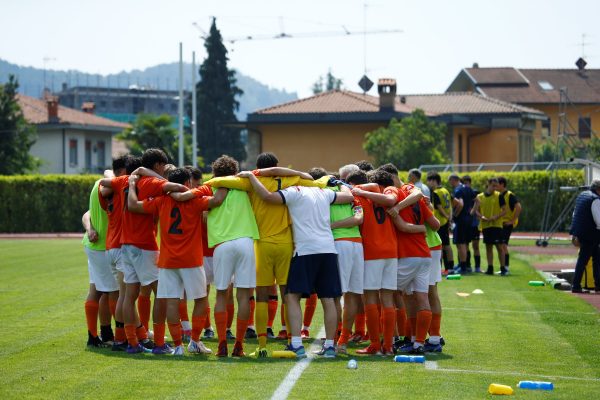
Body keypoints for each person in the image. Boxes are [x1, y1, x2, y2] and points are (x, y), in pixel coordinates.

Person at [238, 168, 355, 359]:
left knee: (291, 297)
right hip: (328, 249)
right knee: (328, 300)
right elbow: (349, 197)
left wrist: (252, 177)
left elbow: (267, 196)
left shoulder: (294, 191)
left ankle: (296, 344)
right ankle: (330, 347)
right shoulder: (324, 192)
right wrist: (339, 183)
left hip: (305, 250)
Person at [127, 167, 226, 355]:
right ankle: (195, 341)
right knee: (201, 300)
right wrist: (220, 181)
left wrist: (132, 186)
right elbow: (218, 199)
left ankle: (178, 346)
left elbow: (133, 205)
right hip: (191, 259)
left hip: (167, 260)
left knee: (171, 301)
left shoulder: (160, 201)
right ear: (188, 183)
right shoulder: (196, 201)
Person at [82, 173, 118, 348]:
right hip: (103, 246)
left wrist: (89, 229)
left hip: (93, 245)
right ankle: (113, 336)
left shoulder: (97, 183)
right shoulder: (109, 187)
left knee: (97, 289)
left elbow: (86, 214)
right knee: (113, 291)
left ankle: (96, 336)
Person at [471, 178, 506, 276]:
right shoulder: (480, 196)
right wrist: (481, 216)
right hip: (486, 226)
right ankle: (490, 268)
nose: (495, 188)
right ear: (488, 184)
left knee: (500, 247)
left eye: (496, 186)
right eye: (493, 185)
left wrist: (495, 217)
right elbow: (475, 210)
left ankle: (503, 268)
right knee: (488, 247)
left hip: (497, 225)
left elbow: (504, 210)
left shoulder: (499, 196)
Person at [570, 180, 600, 293]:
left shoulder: (582, 195)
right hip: (590, 234)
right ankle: (576, 285)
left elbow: (575, 214)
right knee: (584, 260)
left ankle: (598, 284)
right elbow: (599, 221)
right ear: (598, 189)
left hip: (579, 231)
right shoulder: (595, 199)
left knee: (597, 257)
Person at [427, 172, 454, 274]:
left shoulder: (436, 192)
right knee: (447, 245)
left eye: (429, 181)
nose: (428, 183)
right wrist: (450, 218)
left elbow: (438, 207)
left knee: (441, 245)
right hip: (446, 221)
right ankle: (450, 267)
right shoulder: (445, 190)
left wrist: (446, 217)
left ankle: (441, 268)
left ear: (434, 181)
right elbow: (450, 206)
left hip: (440, 222)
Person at [448, 173, 475, 274]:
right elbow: (477, 201)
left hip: (461, 220)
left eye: (450, 181)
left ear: (453, 180)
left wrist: (454, 216)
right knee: (465, 243)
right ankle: (465, 265)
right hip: (468, 219)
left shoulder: (458, 190)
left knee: (460, 243)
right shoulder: (467, 188)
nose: (450, 184)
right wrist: (472, 212)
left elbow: (460, 204)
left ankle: (463, 266)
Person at [497, 176, 522, 273]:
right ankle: (503, 267)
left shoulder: (510, 195)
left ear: (502, 184)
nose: (495, 187)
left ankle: (506, 268)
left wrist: (512, 221)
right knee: (501, 246)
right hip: (500, 224)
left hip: (507, 224)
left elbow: (518, 207)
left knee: (503, 245)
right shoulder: (498, 195)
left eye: (497, 184)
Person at [461, 175, 482, 272]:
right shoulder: (461, 193)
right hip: (466, 224)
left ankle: (477, 267)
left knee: (476, 246)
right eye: (464, 183)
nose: (466, 185)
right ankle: (468, 265)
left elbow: (478, 203)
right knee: (465, 245)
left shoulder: (475, 193)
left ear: (470, 183)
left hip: (475, 225)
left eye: (467, 183)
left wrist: (473, 212)